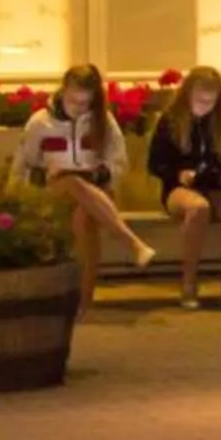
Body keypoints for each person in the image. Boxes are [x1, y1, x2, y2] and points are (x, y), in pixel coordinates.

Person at [22, 63, 156, 314]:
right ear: (63, 91)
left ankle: (83, 302)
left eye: (84, 103)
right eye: (73, 101)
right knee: (72, 182)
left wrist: (101, 172)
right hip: (55, 188)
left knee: (84, 218)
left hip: (96, 189)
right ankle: (133, 243)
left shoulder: (103, 121)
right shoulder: (40, 122)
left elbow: (119, 161)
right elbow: (27, 162)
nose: (77, 108)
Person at [148, 65, 221, 310]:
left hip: (212, 185)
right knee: (198, 208)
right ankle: (189, 282)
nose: (204, 106)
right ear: (187, 96)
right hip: (178, 187)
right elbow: (155, 163)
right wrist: (178, 173)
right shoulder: (171, 121)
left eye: (210, 101)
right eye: (199, 100)